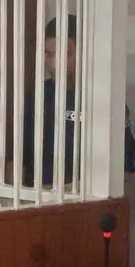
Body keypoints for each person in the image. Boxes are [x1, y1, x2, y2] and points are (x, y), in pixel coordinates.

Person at [22, 14, 135, 187]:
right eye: (48, 54)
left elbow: (125, 172)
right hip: (36, 199)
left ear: (82, 54)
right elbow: (16, 159)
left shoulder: (105, 100)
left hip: (84, 200)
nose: (53, 65)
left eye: (63, 55)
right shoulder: (37, 96)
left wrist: (63, 193)